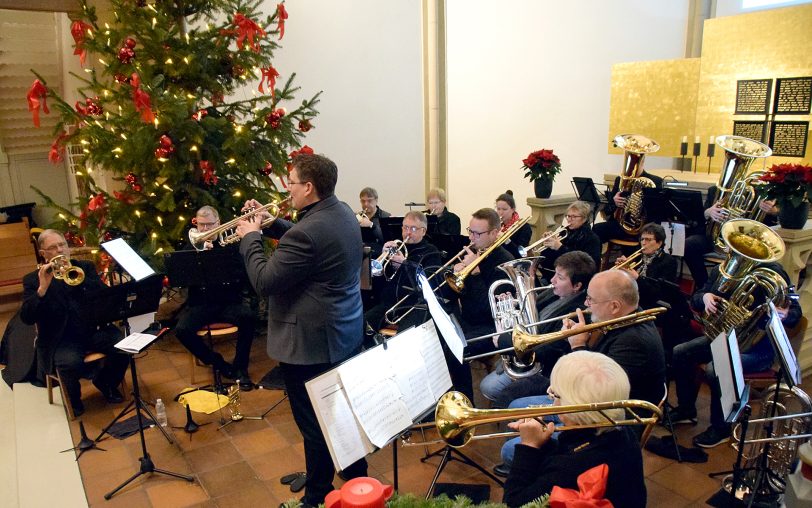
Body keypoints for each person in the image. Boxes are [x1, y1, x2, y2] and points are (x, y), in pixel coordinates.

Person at [236, 153, 367, 506]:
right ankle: (353, 484)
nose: (286, 189)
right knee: (334, 420)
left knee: (315, 427)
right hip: (341, 332)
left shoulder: (309, 230)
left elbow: (264, 281)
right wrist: (271, 223)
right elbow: (310, 240)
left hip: (310, 345)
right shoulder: (339, 213)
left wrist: (250, 237)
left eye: (290, 182)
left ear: (308, 187)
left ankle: (317, 496)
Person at [669, 262, 801, 448]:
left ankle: (721, 428)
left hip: (757, 349)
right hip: (723, 336)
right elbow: (697, 298)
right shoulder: (724, 269)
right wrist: (705, 297)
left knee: (716, 367)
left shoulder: (774, 273)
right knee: (681, 352)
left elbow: (796, 312)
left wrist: (786, 313)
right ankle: (686, 409)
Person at [502, 351, 647, 508]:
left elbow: (513, 503)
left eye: (555, 395)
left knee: (509, 450)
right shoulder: (622, 429)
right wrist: (542, 442)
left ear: (573, 409)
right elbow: (570, 450)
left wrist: (528, 446)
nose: (553, 402)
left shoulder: (569, 469)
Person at [20, 229, 129, 417]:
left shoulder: (84, 268)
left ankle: (106, 382)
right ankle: (74, 401)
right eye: (53, 248)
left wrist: (87, 284)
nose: (60, 250)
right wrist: (42, 289)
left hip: (92, 330)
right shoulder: (33, 280)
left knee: (124, 346)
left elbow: (104, 297)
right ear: (43, 254)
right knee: (69, 363)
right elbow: (27, 317)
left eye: (62, 245)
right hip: (61, 338)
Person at [480, 251, 594, 408]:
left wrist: (504, 341)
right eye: (555, 274)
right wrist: (512, 306)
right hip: (522, 351)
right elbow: (529, 314)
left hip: (541, 368)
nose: (552, 280)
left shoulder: (576, 315)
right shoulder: (554, 292)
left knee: (487, 387)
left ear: (577, 286)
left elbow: (547, 350)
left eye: (560, 278)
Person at [173, 205, 256, 390]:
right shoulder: (190, 247)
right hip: (201, 304)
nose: (205, 230)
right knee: (182, 330)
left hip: (227, 301)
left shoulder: (231, 244)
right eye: (201, 225)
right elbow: (181, 274)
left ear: (218, 223)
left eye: (209, 225)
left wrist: (218, 259)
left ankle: (241, 369)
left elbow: (242, 273)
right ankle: (218, 363)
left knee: (248, 318)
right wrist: (199, 254)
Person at [450, 208, 515, 400]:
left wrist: (476, 274)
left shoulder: (505, 263)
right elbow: (459, 295)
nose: (472, 238)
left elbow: (489, 310)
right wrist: (457, 272)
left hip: (492, 327)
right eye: (470, 231)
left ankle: (464, 399)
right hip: (468, 319)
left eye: (478, 233)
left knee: (456, 348)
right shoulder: (473, 253)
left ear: (495, 233)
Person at [682, 185, 778, 288]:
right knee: (688, 245)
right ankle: (704, 287)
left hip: (743, 240)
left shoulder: (757, 194)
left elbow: (769, 221)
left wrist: (773, 211)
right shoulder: (714, 190)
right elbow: (701, 217)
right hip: (715, 237)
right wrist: (709, 212)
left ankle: (732, 289)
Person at [364, 211, 443, 335]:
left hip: (413, 307)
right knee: (361, 326)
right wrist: (384, 257)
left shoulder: (431, 252)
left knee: (404, 337)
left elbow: (430, 282)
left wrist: (404, 263)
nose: (408, 232)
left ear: (423, 231)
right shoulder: (396, 248)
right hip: (389, 305)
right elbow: (381, 281)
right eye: (405, 227)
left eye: (413, 228)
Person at [592, 169, 663, 247]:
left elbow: (658, 211)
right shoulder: (620, 180)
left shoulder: (655, 181)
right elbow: (608, 210)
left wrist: (641, 204)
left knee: (645, 239)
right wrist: (614, 202)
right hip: (622, 226)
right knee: (597, 229)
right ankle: (592, 259)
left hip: (644, 228)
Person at [538, 201, 601, 274]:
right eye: (568, 216)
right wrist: (547, 243)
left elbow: (587, 267)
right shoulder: (563, 232)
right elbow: (545, 261)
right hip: (554, 274)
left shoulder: (591, 239)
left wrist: (560, 247)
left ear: (584, 219)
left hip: (576, 279)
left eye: (574, 216)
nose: (569, 219)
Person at [495, 191, 532, 259]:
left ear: (513, 209)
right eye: (498, 209)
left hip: (513, 263)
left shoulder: (524, 227)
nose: (500, 212)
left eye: (504, 209)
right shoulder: (497, 226)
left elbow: (520, 254)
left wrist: (506, 240)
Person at [357, 187, 390, 258]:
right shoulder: (358, 217)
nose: (366, 204)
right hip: (361, 255)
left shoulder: (386, 216)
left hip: (379, 255)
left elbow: (386, 239)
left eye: (369, 201)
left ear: (376, 200)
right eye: (363, 201)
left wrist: (371, 225)